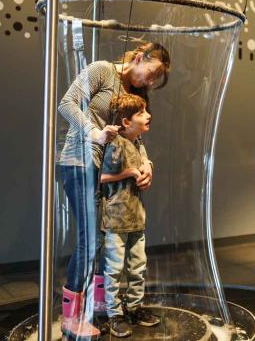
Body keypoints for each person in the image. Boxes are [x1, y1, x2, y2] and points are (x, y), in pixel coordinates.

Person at [57, 42, 170, 338]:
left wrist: (145, 164)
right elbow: (66, 104)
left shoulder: (134, 94)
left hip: (104, 172)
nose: (150, 82)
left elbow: (134, 137)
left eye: (155, 80)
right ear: (138, 58)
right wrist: (94, 133)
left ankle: (98, 305)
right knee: (89, 240)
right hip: (79, 162)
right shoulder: (101, 71)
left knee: (104, 237)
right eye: (151, 73)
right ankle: (71, 317)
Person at [99, 93, 161, 337]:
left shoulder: (137, 142)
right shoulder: (115, 144)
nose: (148, 116)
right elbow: (101, 177)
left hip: (136, 217)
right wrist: (128, 172)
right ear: (126, 122)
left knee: (138, 267)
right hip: (116, 219)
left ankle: (134, 307)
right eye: (141, 113)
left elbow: (143, 161)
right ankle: (114, 313)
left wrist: (147, 166)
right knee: (114, 269)